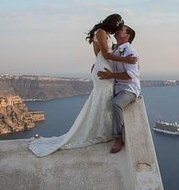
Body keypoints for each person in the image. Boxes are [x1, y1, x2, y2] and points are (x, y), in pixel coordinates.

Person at [28, 14, 137, 157]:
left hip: (104, 67)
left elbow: (103, 53)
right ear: (113, 24)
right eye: (118, 26)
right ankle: (102, 132)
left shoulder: (103, 33)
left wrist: (100, 63)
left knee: (103, 99)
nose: (117, 29)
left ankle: (102, 130)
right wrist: (126, 60)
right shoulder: (101, 32)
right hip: (104, 70)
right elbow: (105, 54)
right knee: (102, 98)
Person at [97, 24, 140, 154]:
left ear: (127, 36)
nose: (118, 29)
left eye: (122, 29)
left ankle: (118, 138)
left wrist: (111, 75)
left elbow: (130, 76)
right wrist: (97, 64)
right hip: (117, 87)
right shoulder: (116, 50)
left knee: (116, 104)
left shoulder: (130, 52)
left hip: (129, 89)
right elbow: (107, 59)